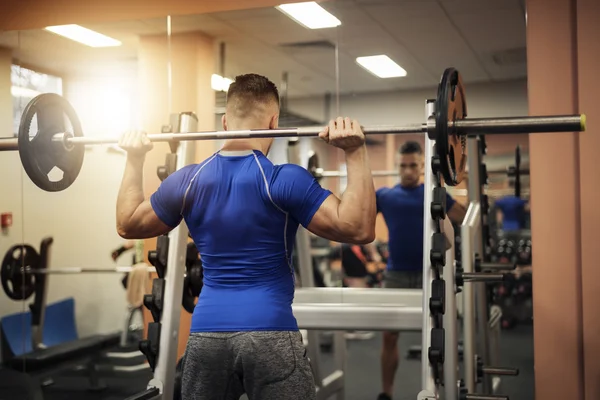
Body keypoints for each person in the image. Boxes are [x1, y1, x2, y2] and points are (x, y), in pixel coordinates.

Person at [115, 73, 377, 400]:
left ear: (225, 122)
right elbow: (359, 228)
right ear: (274, 122)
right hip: (271, 332)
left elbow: (128, 224)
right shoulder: (283, 179)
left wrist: (134, 158)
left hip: (206, 335)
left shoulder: (188, 181)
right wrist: (355, 152)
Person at [372, 141, 466, 400]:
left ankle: (438, 389)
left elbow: (466, 220)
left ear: (422, 166)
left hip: (431, 273)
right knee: (389, 336)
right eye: (403, 166)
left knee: (438, 335)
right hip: (396, 274)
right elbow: (359, 217)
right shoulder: (385, 196)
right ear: (396, 167)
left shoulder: (434, 194)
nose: (408, 171)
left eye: (413, 165)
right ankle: (386, 393)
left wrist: (461, 180)